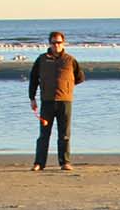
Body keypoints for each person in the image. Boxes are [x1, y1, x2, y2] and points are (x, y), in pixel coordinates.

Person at [28, 31, 86, 171]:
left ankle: (64, 162)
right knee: (44, 135)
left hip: (65, 101)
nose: (56, 45)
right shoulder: (42, 60)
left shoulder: (69, 60)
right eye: (54, 43)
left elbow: (80, 77)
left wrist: (66, 87)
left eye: (59, 42)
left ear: (63, 43)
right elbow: (34, 79)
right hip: (47, 101)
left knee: (64, 134)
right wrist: (32, 98)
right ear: (50, 43)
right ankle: (39, 163)